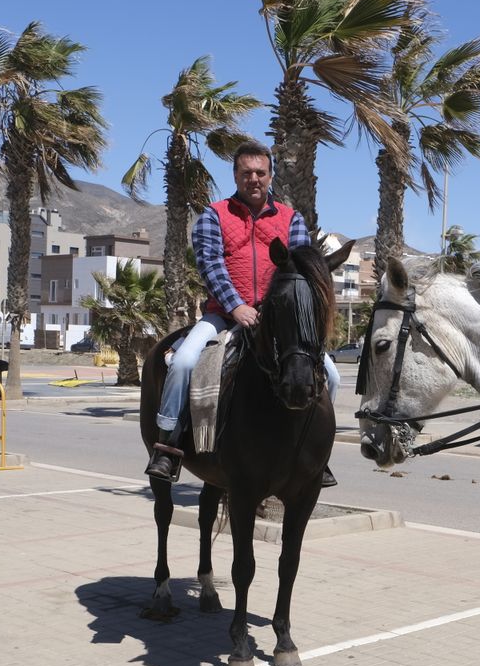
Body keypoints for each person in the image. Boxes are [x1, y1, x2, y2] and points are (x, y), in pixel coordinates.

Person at [145, 140, 341, 484]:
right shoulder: (214, 215)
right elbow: (210, 264)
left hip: (277, 319)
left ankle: (317, 453)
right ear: (235, 176)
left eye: (260, 173)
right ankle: (169, 445)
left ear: (270, 176)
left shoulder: (291, 219)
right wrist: (236, 306)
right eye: (246, 172)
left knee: (332, 376)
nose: (254, 179)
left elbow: (301, 269)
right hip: (222, 315)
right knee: (183, 362)